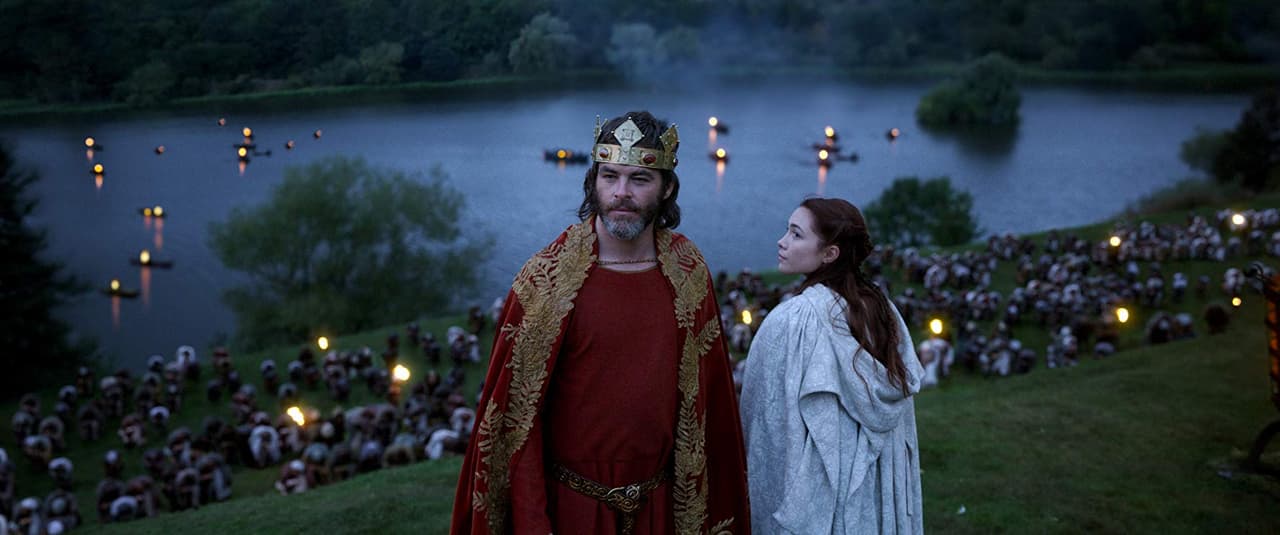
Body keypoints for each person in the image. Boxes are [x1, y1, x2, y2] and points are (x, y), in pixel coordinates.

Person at [451, 111, 750, 534]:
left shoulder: (688, 272)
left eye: (640, 179)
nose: (621, 193)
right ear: (593, 182)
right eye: (610, 177)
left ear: (667, 188)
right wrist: (534, 522)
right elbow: (517, 426)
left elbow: (712, 406)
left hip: (661, 510)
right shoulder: (546, 280)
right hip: (573, 511)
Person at [740, 198, 923, 534]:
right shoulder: (883, 310)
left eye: (796, 234)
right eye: (787, 230)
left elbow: (766, 423)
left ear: (830, 254)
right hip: (871, 496)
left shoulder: (792, 320)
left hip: (816, 498)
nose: (782, 242)